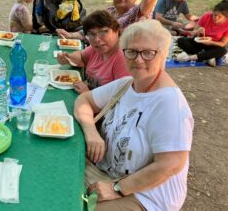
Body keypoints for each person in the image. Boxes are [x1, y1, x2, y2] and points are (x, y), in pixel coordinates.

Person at [74, 19, 193, 211]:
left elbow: (170, 164)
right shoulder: (127, 84)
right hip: (105, 171)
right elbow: (83, 101)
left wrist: (118, 188)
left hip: (146, 195)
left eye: (148, 53)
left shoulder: (169, 104)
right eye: (132, 51)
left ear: (163, 55)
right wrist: (91, 132)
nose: (138, 59)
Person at [56, 10, 130, 94]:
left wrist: (88, 94)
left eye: (103, 32)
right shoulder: (97, 48)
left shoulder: (123, 59)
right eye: (91, 34)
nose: (96, 39)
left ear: (116, 31)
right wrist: (68, 58)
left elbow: (121, 99)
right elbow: (81, 57)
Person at [176, 0, 228, 67]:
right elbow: (193, 33)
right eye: (214, 15)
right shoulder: (206, 16)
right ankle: (206, 56)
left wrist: (210, 42)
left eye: (220, 17)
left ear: (226, 17)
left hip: (213, 45)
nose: (216, 18)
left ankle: (190, 58)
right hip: (199, 42)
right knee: (181, 40)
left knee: (222, 50)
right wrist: (198, 31)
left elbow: (222, 43)